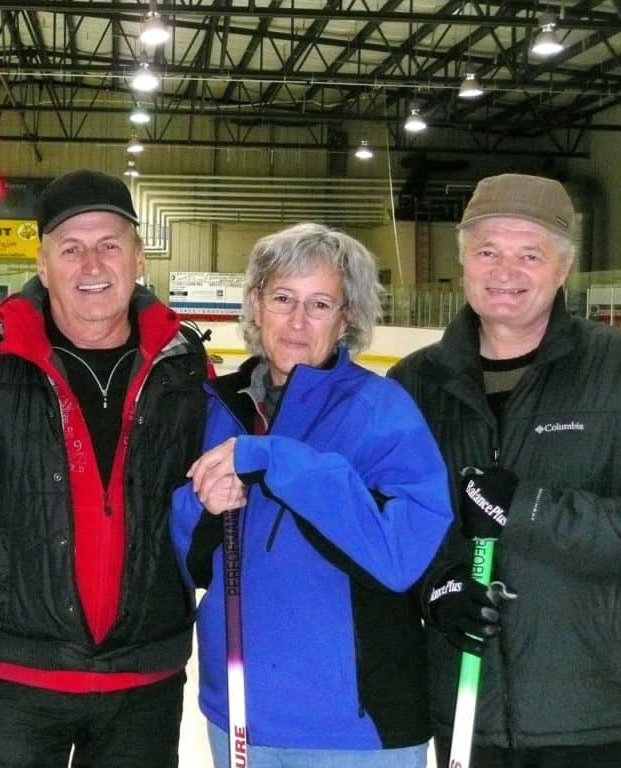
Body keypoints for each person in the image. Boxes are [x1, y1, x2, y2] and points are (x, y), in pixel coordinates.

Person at [0, 169, 210, 767]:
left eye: (109, 245)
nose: (92, 265)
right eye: (70, 249)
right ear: (43, 265)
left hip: (145, 686)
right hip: (15, 685)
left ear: (138, 258)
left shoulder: (184, 367)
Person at [389, 173, 621, 768]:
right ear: (463, 260)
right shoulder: (414, 384)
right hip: (470, 715)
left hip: (603, 717)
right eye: (487, 251)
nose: (504, 271)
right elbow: (392, 525)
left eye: (529, 254)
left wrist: (528, 509)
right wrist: (435, 592)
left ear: (564, 269)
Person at [170, 222, 453, 767]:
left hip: (356, 730)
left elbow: (398, 557)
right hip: (239, 712)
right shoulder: (217, 407)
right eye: (282, 298)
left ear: (346, 317)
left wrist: (276, 458)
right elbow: (187, 564)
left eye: (320, 304)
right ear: (255, 304)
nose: (297, 322)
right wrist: (200, 506)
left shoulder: (381, 410)